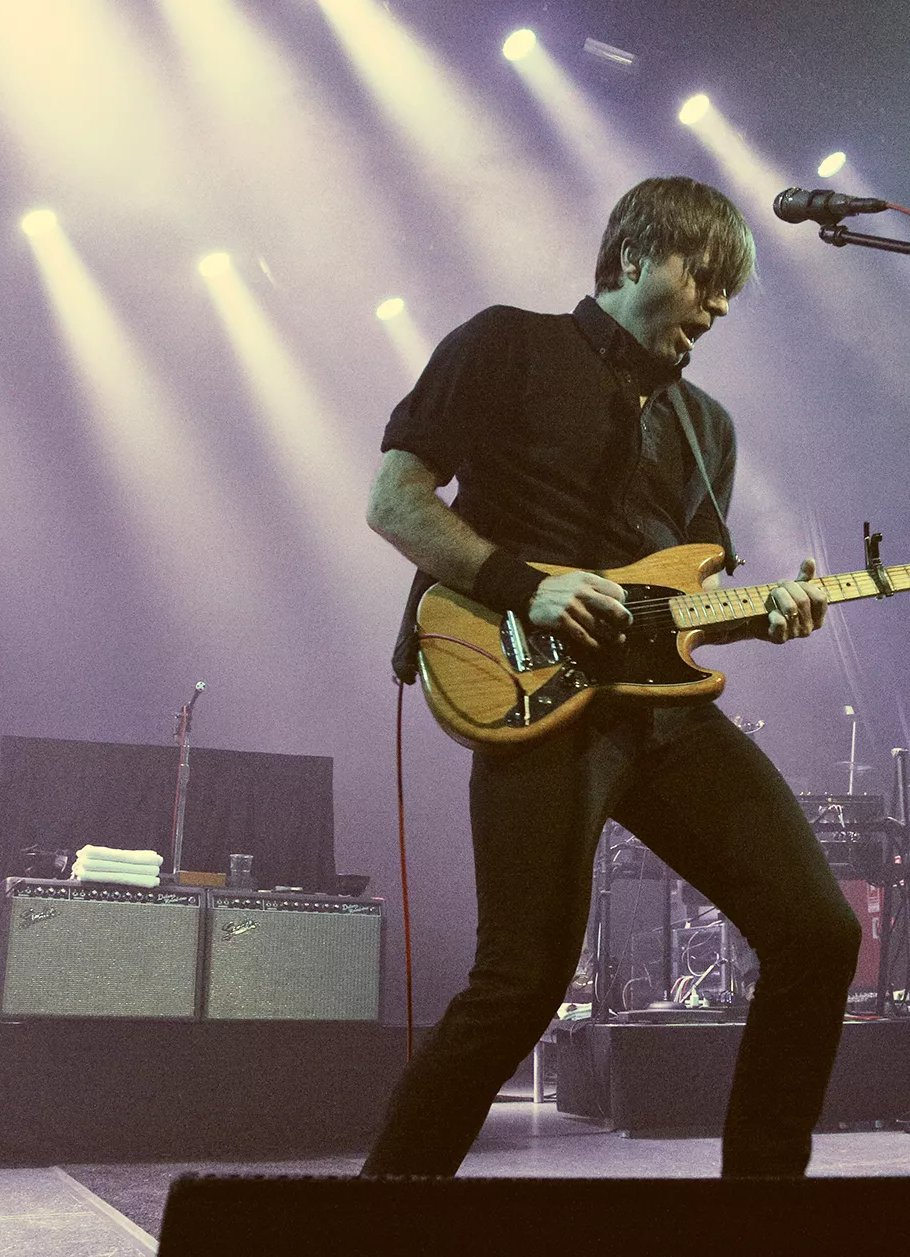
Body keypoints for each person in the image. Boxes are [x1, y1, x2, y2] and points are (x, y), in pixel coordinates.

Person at [362, 177, 861, 1179]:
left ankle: (760, 1221)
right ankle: (377, 1224)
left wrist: (771, 614)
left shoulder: (703, 426)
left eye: (728, 290)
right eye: (701, 277)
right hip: (533, 696)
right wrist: (520, 586)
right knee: (520, 980)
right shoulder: (505, 342)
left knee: (817, 934)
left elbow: (683, 606)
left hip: (658, 717)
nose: (715, 307)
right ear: (632, 255)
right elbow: (394, 499)